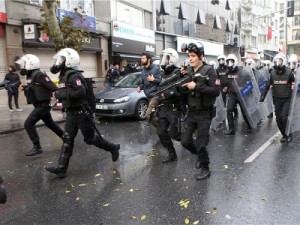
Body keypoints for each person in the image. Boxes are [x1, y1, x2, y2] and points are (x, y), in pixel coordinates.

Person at [45, 48, 120, 178]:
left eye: (62, 59)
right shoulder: (65, 74)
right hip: (71, 114)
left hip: (81, 114)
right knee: (67, 139)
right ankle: (61, 168)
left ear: (70, 61)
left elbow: (81, 92)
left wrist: (60, 94)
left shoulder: (74, 75)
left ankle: (113, 148)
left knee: (90, 139)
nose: (59, 62)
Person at [180, 42, 220, 180]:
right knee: (185, 141)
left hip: (204, 113)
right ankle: (198, 155)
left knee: (201, 143)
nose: (190, 59)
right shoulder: (189, 71)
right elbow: (184, 88)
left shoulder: (210, 71)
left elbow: (216, 91)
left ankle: (205, 168)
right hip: (191, 112)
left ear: (201, 57)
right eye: (189, 56)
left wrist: (196, 86)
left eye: (193, 56)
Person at [15, 54, 64, 156]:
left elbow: (53, 88)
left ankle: (37, 147)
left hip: (43, 105)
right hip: (38, 105)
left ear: (30, 64)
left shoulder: (39, 75)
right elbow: (34, 89)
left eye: (24, 64)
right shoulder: (29, 76)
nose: (22, 67)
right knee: (50, 124)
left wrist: (59, 98)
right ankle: (66, 138)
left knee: (28, 124)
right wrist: (25, 88)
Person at [260, 53, 294, 143]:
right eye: (277, 61)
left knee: (284, 117)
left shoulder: (289, 73)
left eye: (280, 61)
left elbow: (294, 85)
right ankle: (284, 135)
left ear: (284, 62)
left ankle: (288, 134)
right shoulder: (272, 74)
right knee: (278, 118)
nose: (278, 63)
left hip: (286, 99)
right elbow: (267, 86)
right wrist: (262, 97)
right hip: (277, 99)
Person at [156, 48, 182, 163]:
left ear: (172, 58)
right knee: (161, 132)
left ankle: (192, 143)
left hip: (174, 107)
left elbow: (180, 90)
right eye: (163, 58)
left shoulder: (178, 72)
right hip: (164, 107)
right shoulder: (162, 74)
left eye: (166, 58)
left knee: (175, 134)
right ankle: (172, 154)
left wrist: (169, 93)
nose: (163, 61)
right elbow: (160, 88)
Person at [223, 54, 253, 135]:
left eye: (231, 61)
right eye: (228, 62)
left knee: (244, 112)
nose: (230, 63)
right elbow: (228, 82)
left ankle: (250, 125)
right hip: (232, 94)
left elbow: (249, 81)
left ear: (235, 62)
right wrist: (226, 87)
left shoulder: (241, 70)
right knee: (229, 110)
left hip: (241, 94)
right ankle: (231, 129)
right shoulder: (227, 72)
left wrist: (243, 87)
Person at [136, 52, 162, 127]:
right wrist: (140, 87)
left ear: (149, 59)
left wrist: (153, 79)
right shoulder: (143, 70)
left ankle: (161, 129)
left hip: (156, 95)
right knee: (158, 114)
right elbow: (143, 83)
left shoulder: (156, 68)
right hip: (148, 96)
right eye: (141, 58)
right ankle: (163, 130)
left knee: (148, 114)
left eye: (143, 58)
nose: (141, 60)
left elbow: (161, 82)